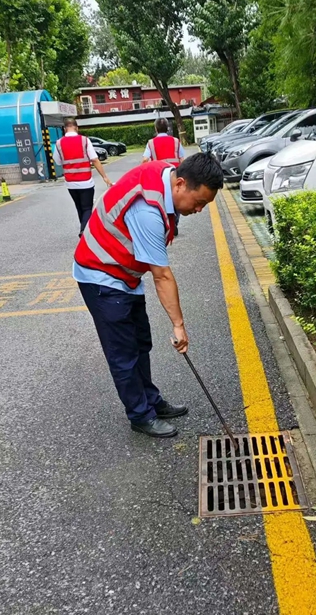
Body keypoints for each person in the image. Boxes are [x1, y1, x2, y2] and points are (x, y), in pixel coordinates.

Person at [73, 153, 224, 438]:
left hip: (125, 274)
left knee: (140, 342)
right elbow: (162, 275)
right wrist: (178, 326)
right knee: (123, 353)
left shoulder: (168, 174)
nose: (199, 209)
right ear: (181, 184)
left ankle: (151, 401)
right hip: (101, 273)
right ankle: (140, 415)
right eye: (199, 202)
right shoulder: (147, 211)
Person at [53, 118, 112, 237]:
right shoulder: (84, 140)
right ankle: (84, 230)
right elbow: (95, 159)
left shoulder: (59, 143)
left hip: (70, 183)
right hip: (86, 182)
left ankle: (84, 229)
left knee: (79, 207)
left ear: (64, 129)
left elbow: (57, 161)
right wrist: (104, 177)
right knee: (87, 208)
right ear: (77, 127)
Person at [143, 117, 185, 235]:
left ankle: (165, 223)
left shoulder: (151, 143)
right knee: (175, 197)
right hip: (174, 175)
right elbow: (182, 159)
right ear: (168, 128)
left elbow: (145, 160)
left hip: (159, 175)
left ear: (156, 128)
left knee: (160, 199)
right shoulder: (176, 141)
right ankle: (174, 221)